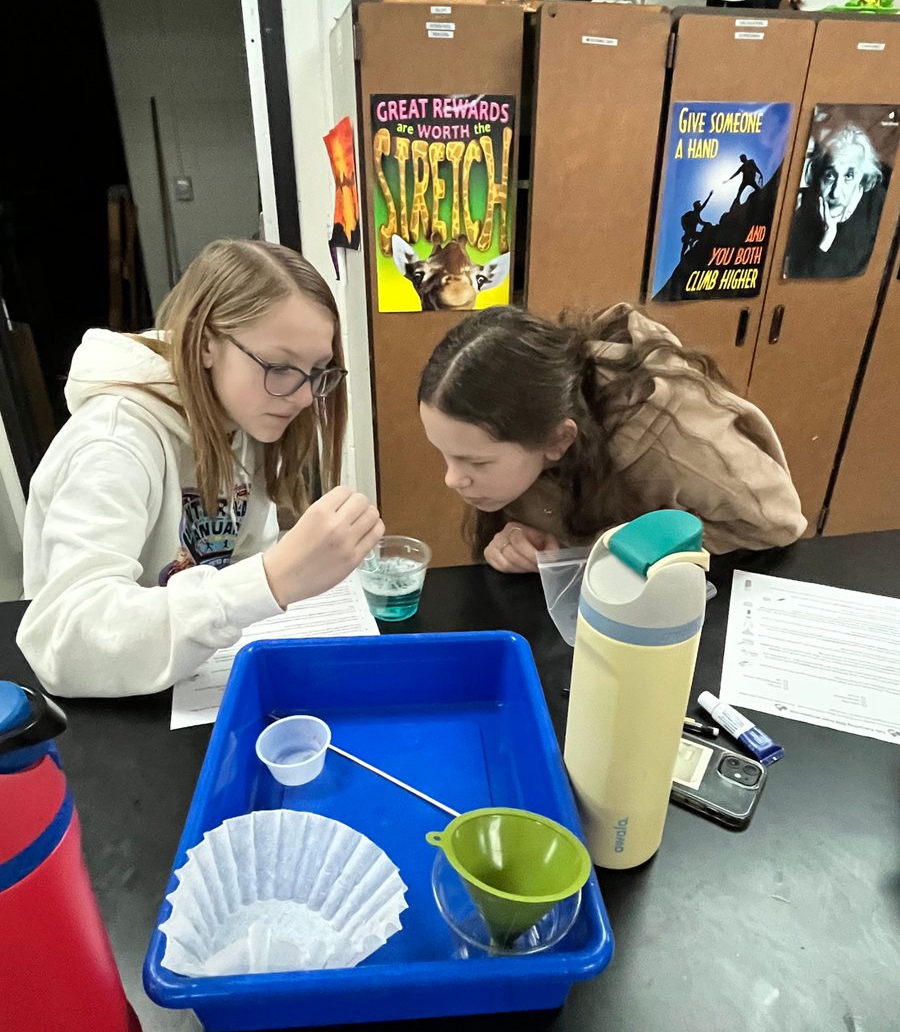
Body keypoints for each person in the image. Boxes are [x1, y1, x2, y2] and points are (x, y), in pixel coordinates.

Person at [17, 239, 384, 697]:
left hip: (188, 688)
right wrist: (271, 579)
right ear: (207, 343)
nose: (306, 396)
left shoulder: (244, 417)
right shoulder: (113, 441)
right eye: (279, 365)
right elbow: (65, 642)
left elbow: (240, 557)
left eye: (317, 369)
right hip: (110, 717)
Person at [417, 303, 806, 572]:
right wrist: (518, 541)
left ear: (557, 441)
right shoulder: (533, 424)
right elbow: (554, 520)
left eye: (477, 462)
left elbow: (781, 524)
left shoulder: (681, 441)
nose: (453, 479)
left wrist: (607, 549)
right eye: (446, 456)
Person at [784, 123, 887, 279]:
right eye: (830, 176)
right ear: (818, 174)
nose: (836, 192)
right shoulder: (803, 211)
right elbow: (800, 282)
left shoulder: (880, 209)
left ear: (863, 178)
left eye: (849, 176)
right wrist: (827, 237)